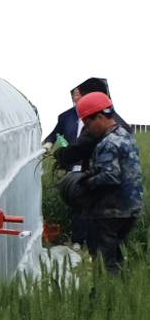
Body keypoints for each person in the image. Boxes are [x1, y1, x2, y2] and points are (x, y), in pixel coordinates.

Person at [56, 91, 141, 270]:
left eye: (88, 123)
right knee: (118, 260)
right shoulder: (126, 136)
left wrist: (85, 183)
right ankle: (121, 291)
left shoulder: (107, 143)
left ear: (101, 117)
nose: (88, 129)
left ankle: (109, 294)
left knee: (105, 264)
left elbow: (110, 175)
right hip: (129, 210)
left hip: (108, 212)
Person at [47, 76, 118, 170]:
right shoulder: (66, 115)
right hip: (76, 167)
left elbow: (80, 146)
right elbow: (54, 132)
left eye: (79, 94)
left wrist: (62, 154)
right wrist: (48, 143)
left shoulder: (96, 123)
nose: (76, 98)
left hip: (95, 171)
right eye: (75, 94)